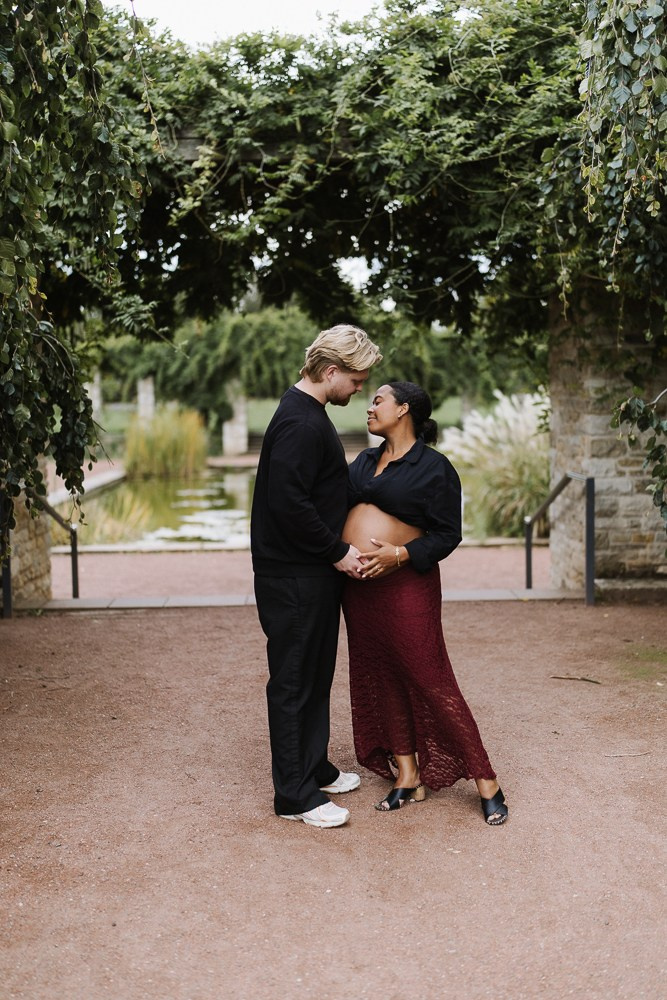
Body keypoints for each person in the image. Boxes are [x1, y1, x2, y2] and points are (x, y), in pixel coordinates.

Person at [341, 381, 508, 825]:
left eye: (378, 399)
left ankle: (486, 780)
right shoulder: (364, 460)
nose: (370, 407)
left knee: (431, 676)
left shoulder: (434, 468)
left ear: (405, 409)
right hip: (359, 591)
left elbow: (447, 534)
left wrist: (399, 554)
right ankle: (407, 774)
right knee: (382, 675)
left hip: (406, 586)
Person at [251, 324, 383, 828]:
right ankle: (295, 796)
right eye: (355, 380)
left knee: (315, 674)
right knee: (294, 682)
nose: (359, 390)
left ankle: (315, 766)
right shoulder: (301, 423)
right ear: (331, 371)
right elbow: (288, 504)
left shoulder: (309, 413)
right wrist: (337, 551)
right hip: (295, 577)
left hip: (309, 574)